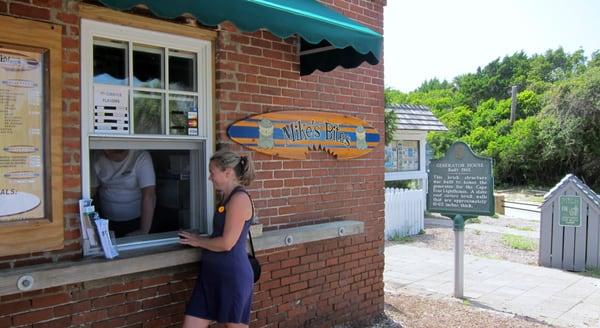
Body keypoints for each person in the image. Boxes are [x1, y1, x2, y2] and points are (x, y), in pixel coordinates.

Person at [179, 149, 255, 328]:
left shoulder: (239, 199)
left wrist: (197, 241)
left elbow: (227, 243)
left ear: (227, 173)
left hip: (232, 277)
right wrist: (200, 238)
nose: (209, 178)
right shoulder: (225, 199)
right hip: (210, 276)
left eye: (212, 173)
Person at [91, 149, 156, 237]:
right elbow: (92, 191)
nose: (105, 153)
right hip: (105, 220)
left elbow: (149, 195)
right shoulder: (97, 156)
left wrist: (143, 230)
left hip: (136, 220)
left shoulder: (141, 156)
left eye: (109, 151)